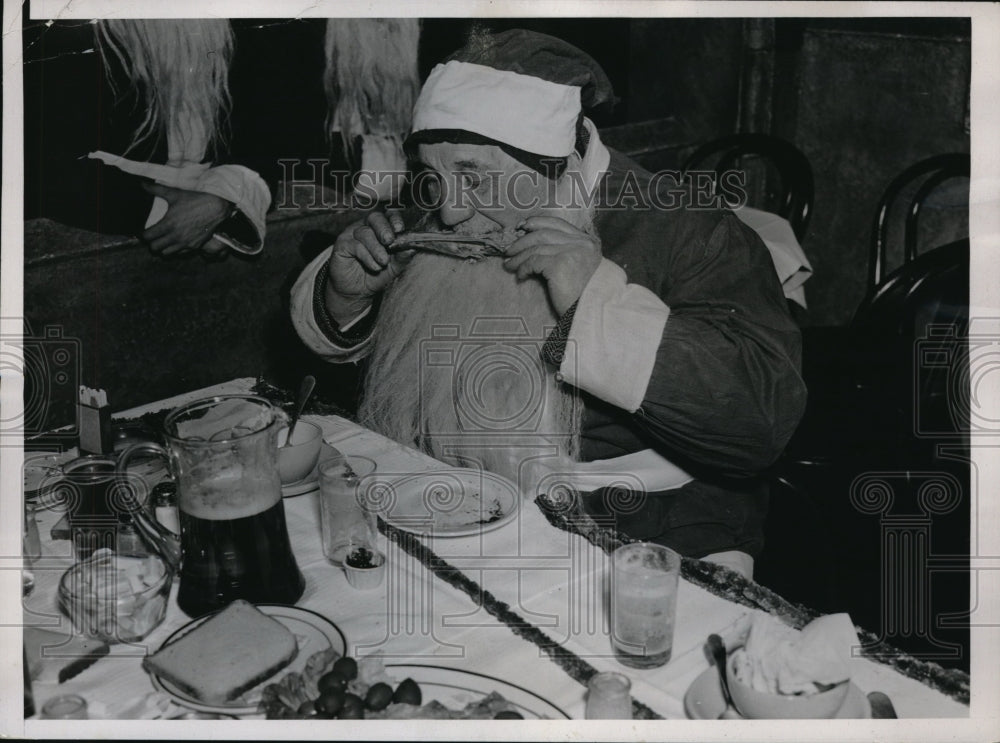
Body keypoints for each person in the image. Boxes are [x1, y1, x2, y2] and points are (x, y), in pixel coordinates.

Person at [291, 29, 807, 579]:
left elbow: (760, 424)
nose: (449, 211)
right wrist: (345, 297)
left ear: (558, 162)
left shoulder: (688, 227)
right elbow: (393, 368)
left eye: (473, 175)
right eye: (433, 175)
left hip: (649, 529)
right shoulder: (458, 206)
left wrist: (593, 300)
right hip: (464, 503)